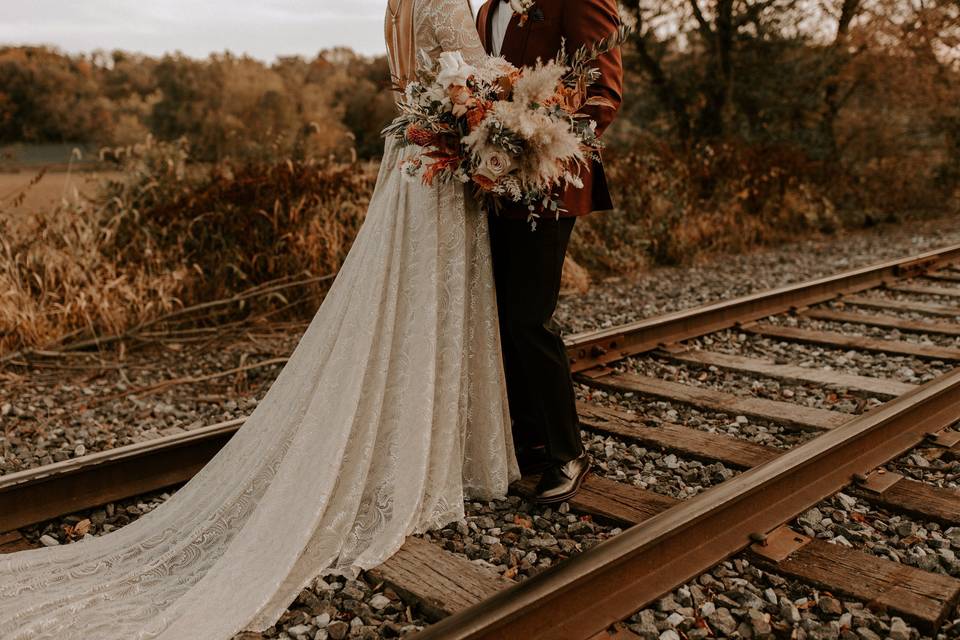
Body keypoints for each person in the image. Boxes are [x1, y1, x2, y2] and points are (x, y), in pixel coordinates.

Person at [476, 0, 624, 503]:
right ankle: (528, 445)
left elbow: (604, 93)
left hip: (550, 183)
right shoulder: (486, 9)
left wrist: (539, 143)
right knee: (499, 318)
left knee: (528, 318)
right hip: (488, 184)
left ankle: (568, 453)